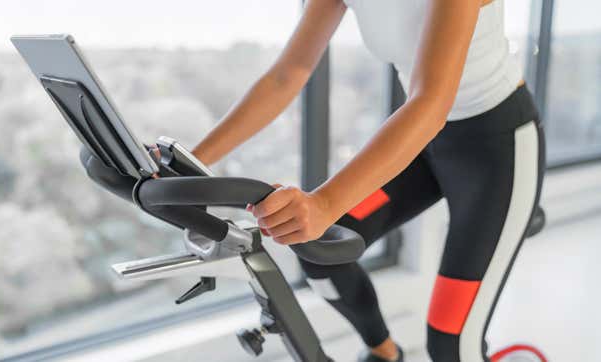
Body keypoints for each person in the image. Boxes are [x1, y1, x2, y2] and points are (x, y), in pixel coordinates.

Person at [188, 0, 545, 361]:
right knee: (323, 251)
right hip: (422, 143)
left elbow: (430, 102)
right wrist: (192, 160)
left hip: (496, 149)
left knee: (450, 344)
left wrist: (324, 204)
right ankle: (385, 354)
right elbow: (288, 73)